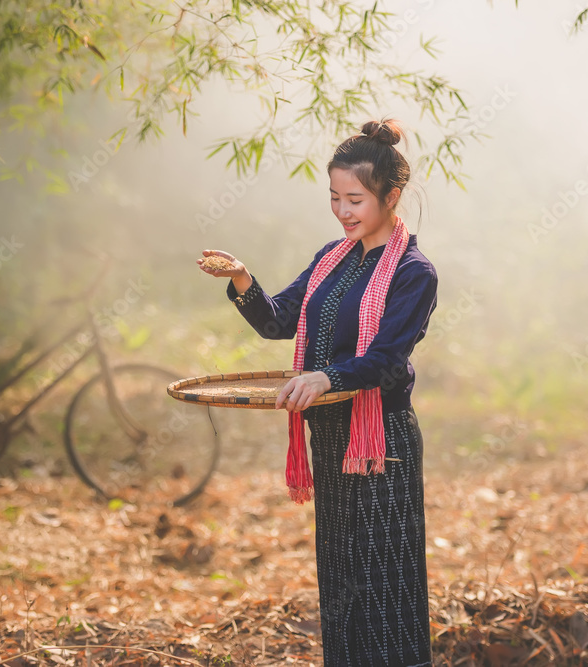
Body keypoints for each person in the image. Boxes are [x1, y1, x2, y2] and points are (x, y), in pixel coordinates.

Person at [198, 118, 437, 666]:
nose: (343, 211)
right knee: (342, 578)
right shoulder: (332, 258)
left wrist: (325, 377)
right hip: (330, 438)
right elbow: (279, 320)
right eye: (334, 198)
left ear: (391, 196)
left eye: (355, 198)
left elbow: (384, 361)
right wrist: (240, 278)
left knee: (385, 582)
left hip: (380, 446)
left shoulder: (414, 273)